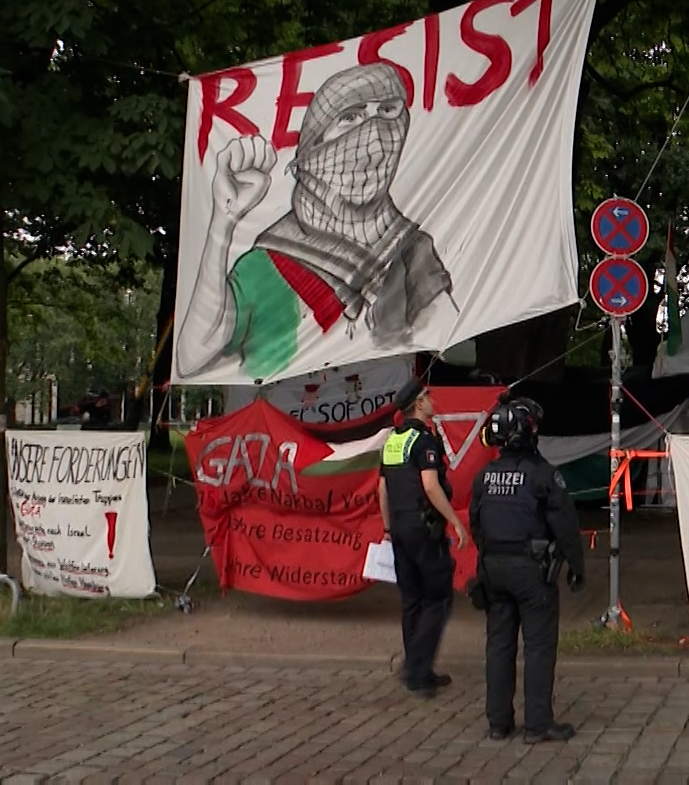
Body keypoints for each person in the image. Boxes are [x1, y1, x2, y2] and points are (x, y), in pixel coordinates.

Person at [179, 64, 459, 381]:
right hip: (281, 423)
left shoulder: (410, 251)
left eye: (387, 110)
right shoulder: (266, 263)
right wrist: (223, 220)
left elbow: (446, 333)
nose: (373, 139)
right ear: (312, 151)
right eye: (350, 117)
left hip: (379, 419)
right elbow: (192, 358)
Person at [469, 393, 584, 743]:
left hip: (493, 569)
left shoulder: (484, 476)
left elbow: (477, 523)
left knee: (499, 645)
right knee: (538, 645)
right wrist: (576, 566)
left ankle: (499, 722)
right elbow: (565, 524)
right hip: (532, 572)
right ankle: (537, 724)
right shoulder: (543, 475)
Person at [377, 381, 469, 697]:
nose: (431, 400)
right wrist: (455, 521)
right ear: (418, 404)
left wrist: (389, 528)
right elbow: (430, 485)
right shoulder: (424, 439)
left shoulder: (392, 440)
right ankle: (417, 669)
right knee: (438, 598)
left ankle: (419, 670)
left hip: (400, 528)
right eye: (427, 397)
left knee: (411, 600)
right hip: (423, 528)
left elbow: (383, 489)